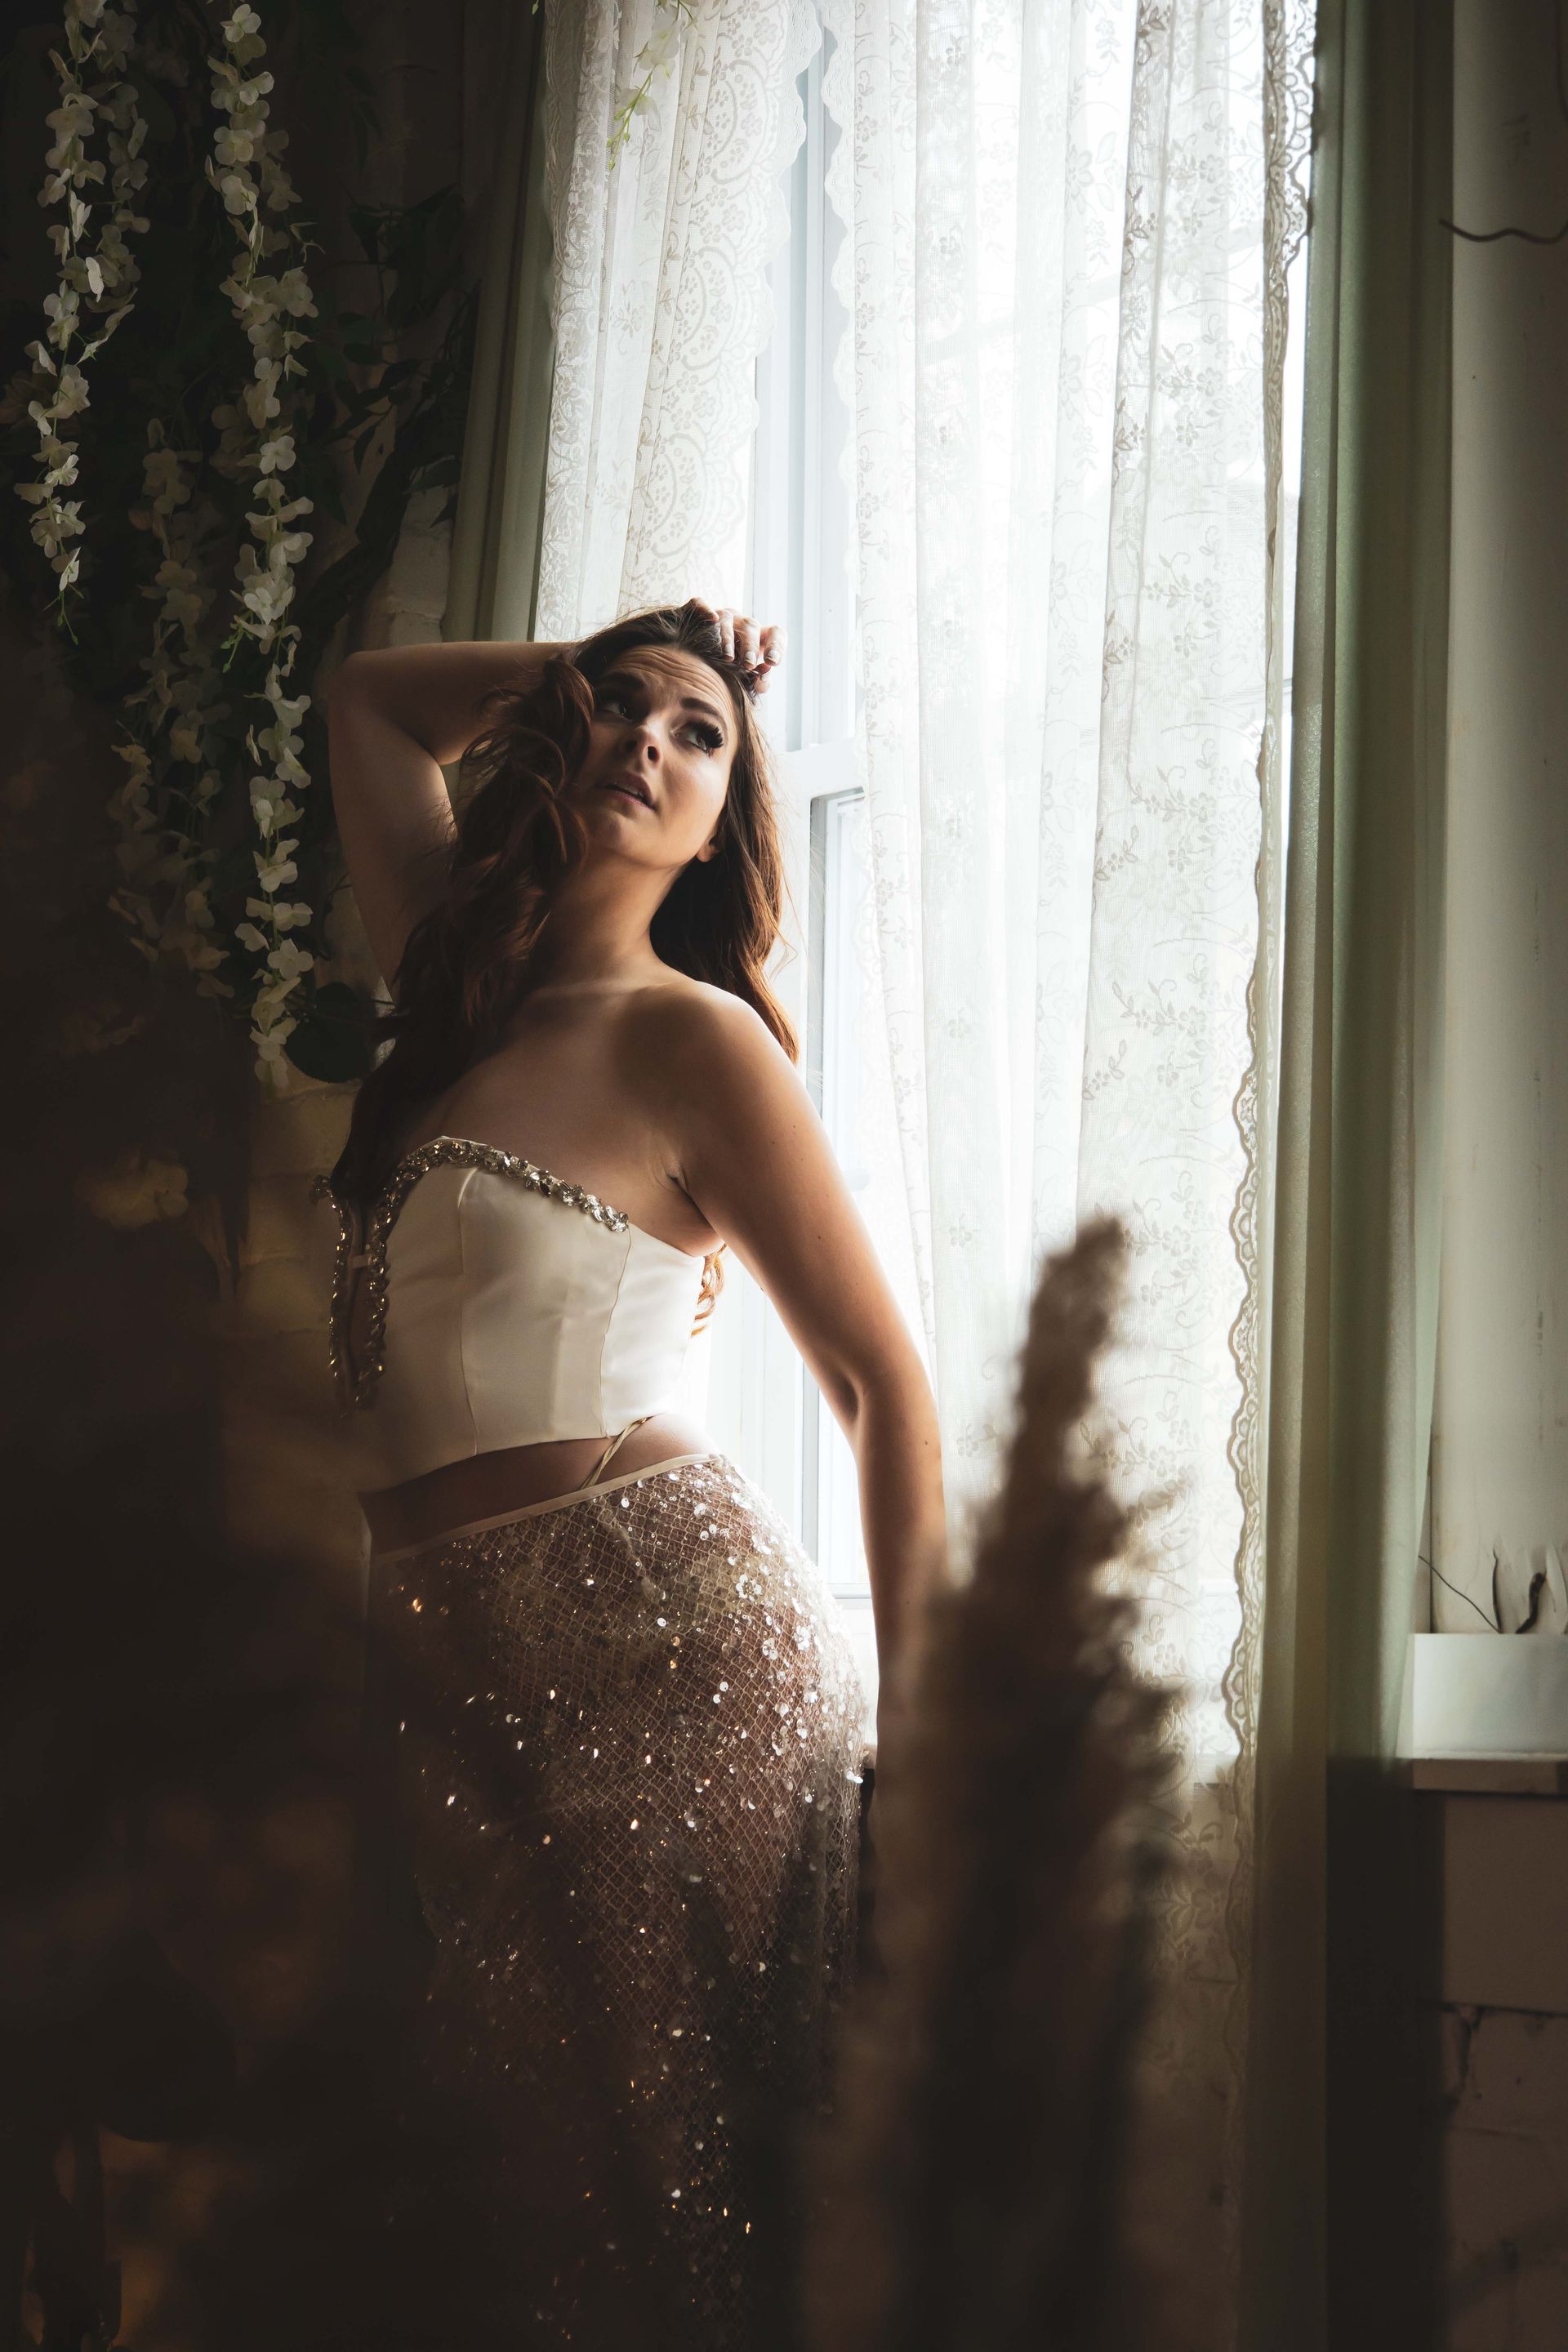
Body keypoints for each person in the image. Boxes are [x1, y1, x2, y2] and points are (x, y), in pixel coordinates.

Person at [315, 599, 946, 2347]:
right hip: (457, 1675)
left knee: (637, 2209)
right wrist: (599, 666)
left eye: (698, 739)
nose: (648, 747)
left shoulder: (695, 1042)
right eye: (622, 717)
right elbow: (368, 705)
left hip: (665, 1661)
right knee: (505, 2216)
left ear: (727, 822)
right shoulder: (449, 983)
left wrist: (934, 1737)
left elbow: (882, 1384)